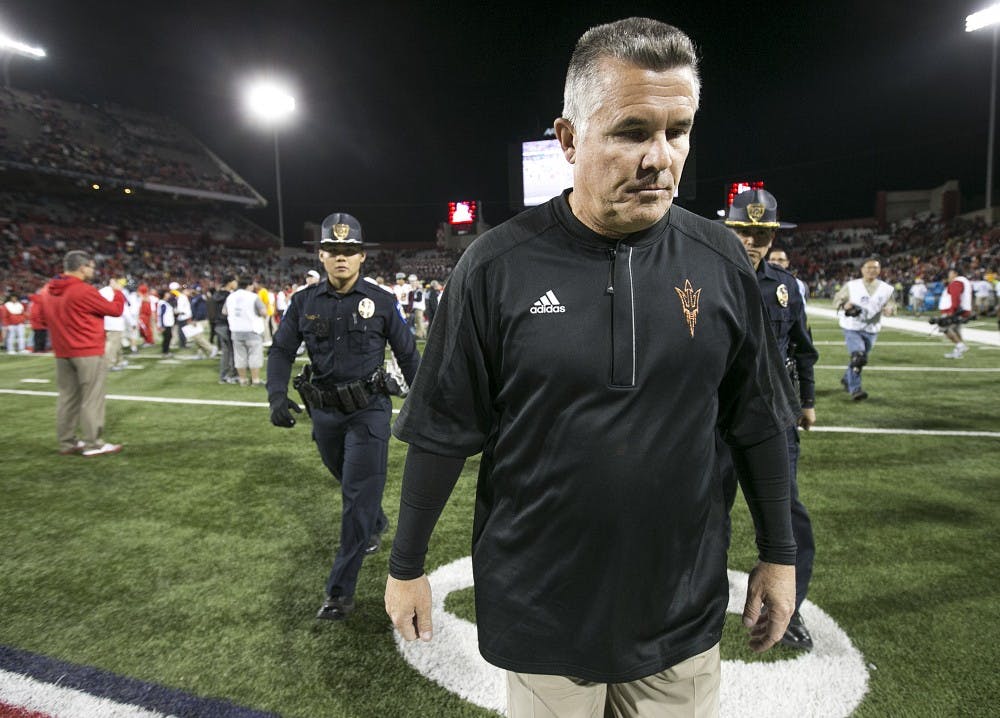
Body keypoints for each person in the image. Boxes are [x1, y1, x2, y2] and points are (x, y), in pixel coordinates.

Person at [384, 18, 797, 718]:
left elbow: (757, 421)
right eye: (632, 131)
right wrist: (406, 566)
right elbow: (443, 430)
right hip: (544, 609)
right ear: (569, 139)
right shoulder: (496, 266)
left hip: (680, 610)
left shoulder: (721, 260)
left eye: (678, 130)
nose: (661, 158)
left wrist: (780, 554)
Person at [267, 212, 419, 621]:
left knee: (354, 500)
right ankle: (375, 520)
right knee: (350, 484)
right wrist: (276, 396)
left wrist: (423, 403)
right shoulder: (303, 302)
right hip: (325, 415)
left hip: (369, 413)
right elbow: (281, 350)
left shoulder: (383, 302)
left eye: (349, 251)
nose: (341, 258)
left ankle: (339, 590)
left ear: (361, 257)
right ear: (320, 255)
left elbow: (407, 355)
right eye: (333, 251)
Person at [721, 189, 819, 651]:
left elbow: (803, 347)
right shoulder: (702, 276)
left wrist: (808, 400)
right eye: (743, 230)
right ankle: (693, 599)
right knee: (704, 512)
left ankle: (791, 609)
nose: (752, 241)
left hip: (774, 420)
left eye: (761, 233)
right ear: (728, 228)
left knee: (787, 515)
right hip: (714, 420)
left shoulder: (785, 287)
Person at [46, 250, 126, 456]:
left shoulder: (47, 290)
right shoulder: (83, 290)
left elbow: (41, 317)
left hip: (62, 351)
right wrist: (117, 292)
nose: (93, 270)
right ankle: (93, 444)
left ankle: (67, 442)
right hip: (87, 350)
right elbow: (115, 310)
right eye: (91, 266)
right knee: (92, 397)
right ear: (82, 267)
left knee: (67, 398)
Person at [833, 257, 896, 401]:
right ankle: (855, 389)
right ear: (862, 269)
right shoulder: (851, 285)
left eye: (875, 268)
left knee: (861, 358)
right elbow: (837, 300)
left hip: (872, 328)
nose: (872, 270)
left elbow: (892, 305)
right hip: (852, 326)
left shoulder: (886, 288)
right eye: (869, 267)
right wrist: (845, 305)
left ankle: (846, 378)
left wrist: (889, 309)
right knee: (858, 357)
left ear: (880, 270)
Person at [225, 276, 267, 386]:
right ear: (249, 285)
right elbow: (263, 312)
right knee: (254, 355)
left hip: (236, 331)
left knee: (239, 357)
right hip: (252, 330)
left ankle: (242, 380)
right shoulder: (253, 297)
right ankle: (255, 380)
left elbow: (224, 311)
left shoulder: (231, 296)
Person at [938, 265, 973, 359]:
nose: (948, 275)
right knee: (956, 330)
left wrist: (952, 311)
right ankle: (958, 352)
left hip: (955, 311)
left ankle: (960, 346)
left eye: (950, 273)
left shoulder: (957, 282)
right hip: (962, 310)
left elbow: (955, 297)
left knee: (943, 327)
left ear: (955, 273)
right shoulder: (963, 281)